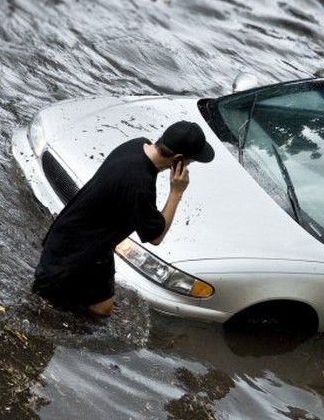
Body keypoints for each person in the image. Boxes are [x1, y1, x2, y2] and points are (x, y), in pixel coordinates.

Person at [32, 120, 214, 316]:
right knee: (41, 310)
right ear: (178, 159)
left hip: (93, 246)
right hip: (70, 256)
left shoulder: (136, 145)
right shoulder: (139, 183)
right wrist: (176, 192)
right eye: (190, 161)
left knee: (102, 310)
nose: (189, 166)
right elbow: (156, 236)